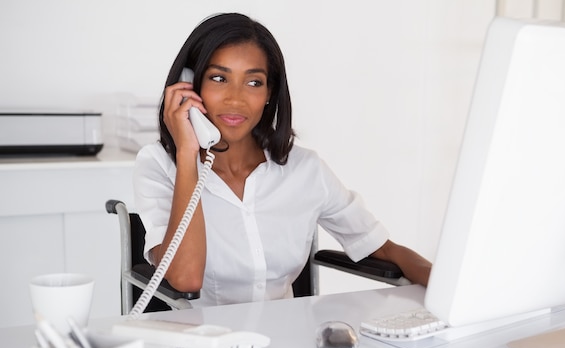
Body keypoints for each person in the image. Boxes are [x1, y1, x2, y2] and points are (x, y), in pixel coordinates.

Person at [133, 12, 431, 307]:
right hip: (200, 345)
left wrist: (452, 286)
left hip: (285, 341)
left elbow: (383, 248)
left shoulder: (304, 169)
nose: (235, 99)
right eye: (219, 78)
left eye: (253, 82)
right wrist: (187, 154)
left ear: (269, 93)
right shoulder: (158, 164)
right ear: (190, 85)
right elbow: (185, 278)